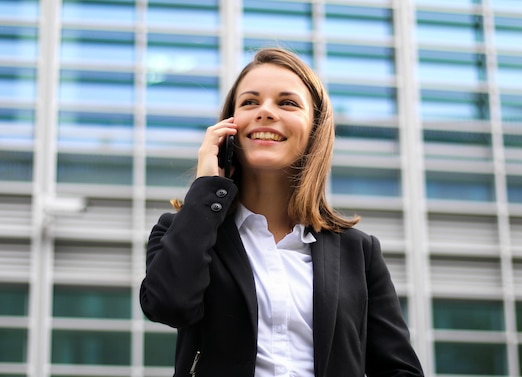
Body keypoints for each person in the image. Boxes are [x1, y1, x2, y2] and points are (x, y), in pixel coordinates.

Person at [140, 47, 424, 377]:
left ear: (315, 129)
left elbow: (399, 369)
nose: (265, 112)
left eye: (287, 102)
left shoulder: (359, 252)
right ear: (228, 127)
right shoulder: (185, 231)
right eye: (249, 102)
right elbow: (168, 305)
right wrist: (206, 187)